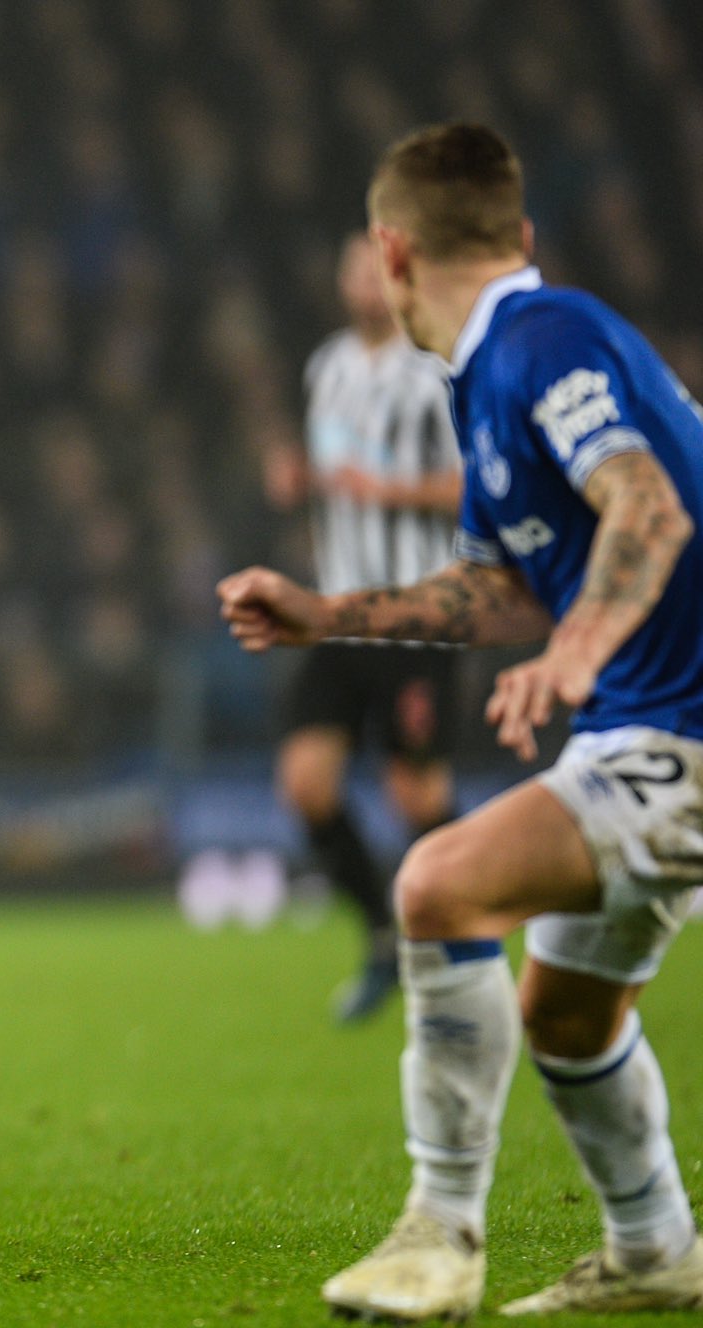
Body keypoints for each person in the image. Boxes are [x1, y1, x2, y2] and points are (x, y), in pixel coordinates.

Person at [221, 122, 703, 1318]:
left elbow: (646, 507)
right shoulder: (491, 370)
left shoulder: (545, 339)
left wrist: (572, 655)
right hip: (641, 721)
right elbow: (499, 591)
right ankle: (654, 1247)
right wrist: (326, 614)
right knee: (566, 1014)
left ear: (390, 251)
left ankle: (436, 1233)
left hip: (678, 726)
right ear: (515, 233)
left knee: (436, 884)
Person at [265, 231, 464, 1023]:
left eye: (381, 271)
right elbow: (334, 478)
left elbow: (474, 486)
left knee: (416, 794)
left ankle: (469, 928)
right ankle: (384, 934)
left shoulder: (438, 371)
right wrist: (300, 481)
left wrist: (386, 490)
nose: (367, 284)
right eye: (356, 269)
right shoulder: (328, 368)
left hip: (416, 616)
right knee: (305, 783)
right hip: (340, 615)